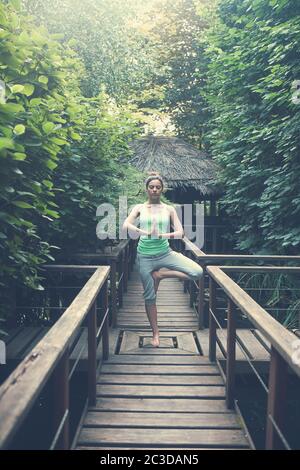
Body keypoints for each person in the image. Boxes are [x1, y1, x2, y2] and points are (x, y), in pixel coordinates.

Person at [122, 171, 203, 347]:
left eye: (158, 187)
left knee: (197, 272)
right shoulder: (139, 208)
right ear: (146, 189)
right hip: (145, 257)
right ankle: (156, 334)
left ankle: (161, 275)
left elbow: (180, 232)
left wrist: (162, 235)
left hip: (166, 253)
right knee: (150, 297)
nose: (155, 190)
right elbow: (126, 224)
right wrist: (145, 233)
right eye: (151, 187)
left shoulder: (169, 209)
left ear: (162, 189)